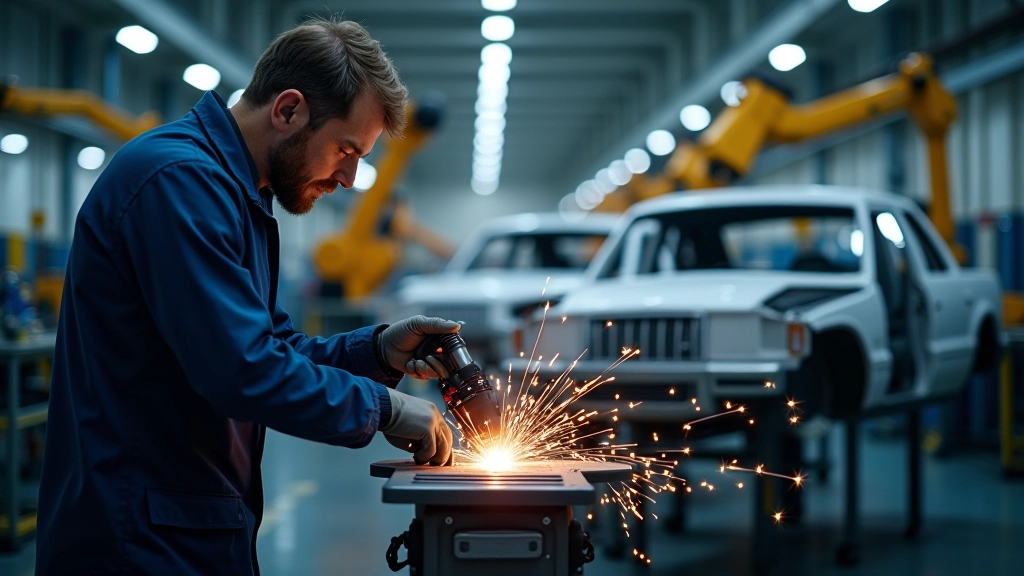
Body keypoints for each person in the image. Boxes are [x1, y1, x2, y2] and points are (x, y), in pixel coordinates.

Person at [36, 19, 454, 576]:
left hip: (183, 521)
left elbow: (271, 344)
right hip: (138, 538)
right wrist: (385, 408)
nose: (351, 178)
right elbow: (241, 368)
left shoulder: (237, 195)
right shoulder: (180, 182)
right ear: (287, 110)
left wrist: (375, 352)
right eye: (346, 150)